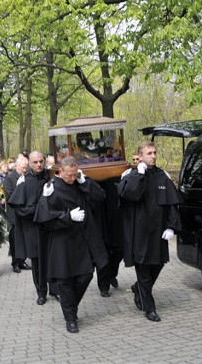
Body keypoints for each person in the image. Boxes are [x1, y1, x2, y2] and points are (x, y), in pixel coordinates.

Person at [35, 157, 108, 333]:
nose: (73, 178)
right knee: (65, 280)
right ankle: (71, 318)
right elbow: (43, 217)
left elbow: (100, 198)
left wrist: (85, 182)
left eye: (76, 174)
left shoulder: (81, 183)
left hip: (84, 239)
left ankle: (70, 306)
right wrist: (67, 217)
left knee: (86, 275)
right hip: (63, 241)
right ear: (60, 172)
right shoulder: (51, 188)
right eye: (70, 175)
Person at [118, 141, 182, 322]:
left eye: (154, 152)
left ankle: (138, 288)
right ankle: (149, 307)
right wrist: (139, 174)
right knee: (143, 267)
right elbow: (129, 195)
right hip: (138, 232)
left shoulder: (162, 175)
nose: (153, 156)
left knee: (158, 264)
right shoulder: (131, 175)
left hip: (158, 230)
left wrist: (171, 226)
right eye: (149, 153)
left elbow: (172, 204)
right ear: (140, 156)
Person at [7, 150, 58, 305]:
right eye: (35, 162)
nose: (39, 164)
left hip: (51, 226)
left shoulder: (51, 176)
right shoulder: (24, 181)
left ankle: (55, 290)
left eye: (41, 161)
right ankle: (41, 291)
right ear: (29, 163)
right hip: (34, 228)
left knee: (53, 259)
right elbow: (19, 208)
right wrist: (38, 210)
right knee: (37, 262)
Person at [2, 156, 30, 273]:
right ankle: (15, 263)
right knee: (15, 240)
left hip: (25, 212)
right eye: (23, 167)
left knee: (24, 239)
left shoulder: (27, 176)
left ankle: (22, 260)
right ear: (17, 166)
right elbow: (9, 195)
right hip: (14, 213)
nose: (25, 170)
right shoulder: (10, 178)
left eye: (26, 167)